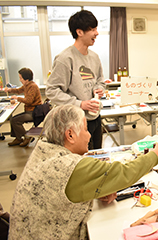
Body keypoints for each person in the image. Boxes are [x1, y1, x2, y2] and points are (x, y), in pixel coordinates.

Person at [9, 104, 158, 239]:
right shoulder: (72, 166)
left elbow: (64, 192)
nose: (89, 136)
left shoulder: (43, 149)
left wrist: (97, 188)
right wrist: (156, 153)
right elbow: (124, 172)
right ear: (70, 135)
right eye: (86, 129)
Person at [46, 10, 105, 150]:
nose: (97, 33)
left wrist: (99, 89)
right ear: (79, 32)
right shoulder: (65, 58)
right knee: (83, 163)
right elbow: (51, 90)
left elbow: (101, 81)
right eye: (92, 29)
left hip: (95, 118)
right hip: (75, 123)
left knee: (97, 156)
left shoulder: (95, 57)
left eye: (96, 29)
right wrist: (80, 104)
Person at [4, 68, 42, 147]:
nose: (20, 80)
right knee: (12, 119)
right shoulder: (26, 85)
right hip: (30, 111)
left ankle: (27, 137)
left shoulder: (33, 86)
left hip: (34, 112)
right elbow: (18, 90)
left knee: (15, 121)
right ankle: (18, 138)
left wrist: (17, 98)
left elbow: (29, 101)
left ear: (26, 79)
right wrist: (9, 90)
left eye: (21, 78)